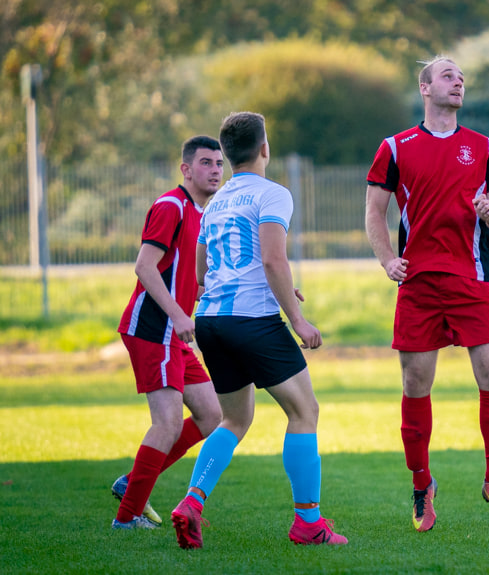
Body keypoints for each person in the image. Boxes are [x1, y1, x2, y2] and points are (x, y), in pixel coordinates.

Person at [170, 111, 347, 548]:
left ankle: (192, 503)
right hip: (253, 320)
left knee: (234, 418)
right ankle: (309, 523)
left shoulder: (215, 203)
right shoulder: (273, 194)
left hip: (211, 319)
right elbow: (272, 259)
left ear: (226, 156)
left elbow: (202, 270)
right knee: (304, 413)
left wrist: (277, 290)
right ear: (265, 148)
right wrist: (297, 319)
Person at [365, 56, 489, 532]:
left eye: (461, 77)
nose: (458, 81)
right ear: (425, 88)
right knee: (415, 385)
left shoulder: (485, 147)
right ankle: (421, 485)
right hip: (419, 284)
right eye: (448, 75)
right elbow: (374, 212)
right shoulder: (394, 146)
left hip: (472, 280)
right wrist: (389, 258)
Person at [112, 136, 224, 529]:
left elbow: (196, 277)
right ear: (186, 169)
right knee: (168, 424)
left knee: (213, 415)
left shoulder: (201, 213)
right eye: (206, 162)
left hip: (173, 334)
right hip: (153, 328)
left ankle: (134, 482)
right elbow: (144, 266)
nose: (214, 170)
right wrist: (178, 315)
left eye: (219, 163)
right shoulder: (171, 205)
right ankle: (126, 518)